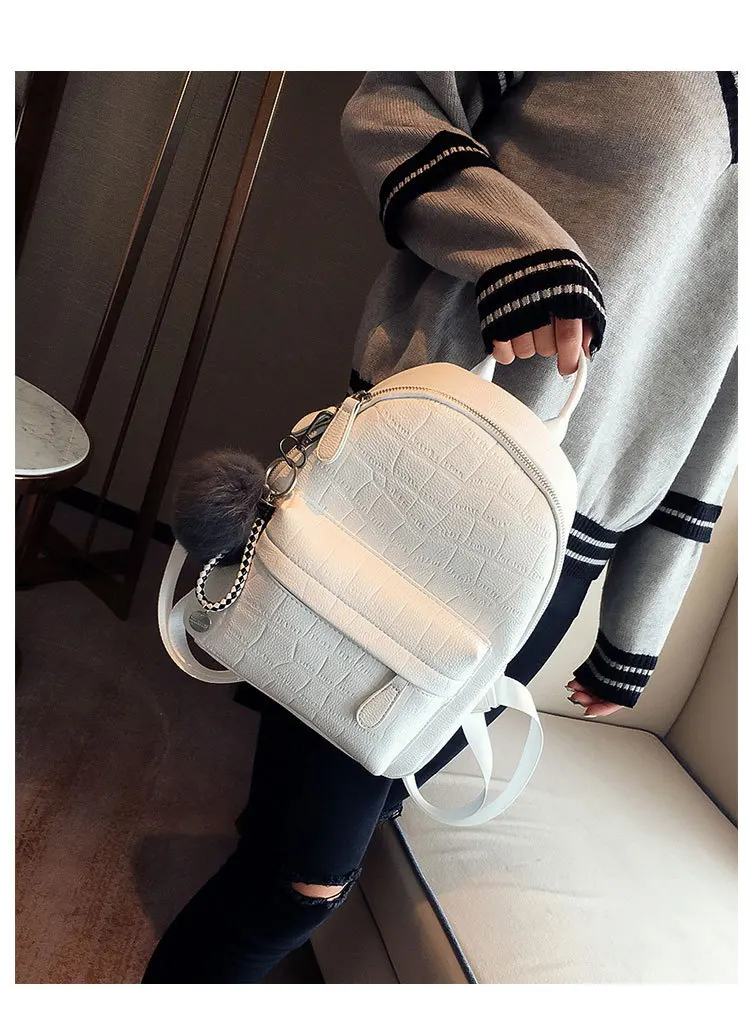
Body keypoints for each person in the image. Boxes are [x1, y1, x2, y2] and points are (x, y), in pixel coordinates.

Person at [142, 71, 737, 983]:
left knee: (351, 810)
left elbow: (723, 397)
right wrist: (519, 248)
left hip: (556, 565)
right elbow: (393, 104)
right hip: (419, 483)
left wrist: (636, 627)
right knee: (298, 881)